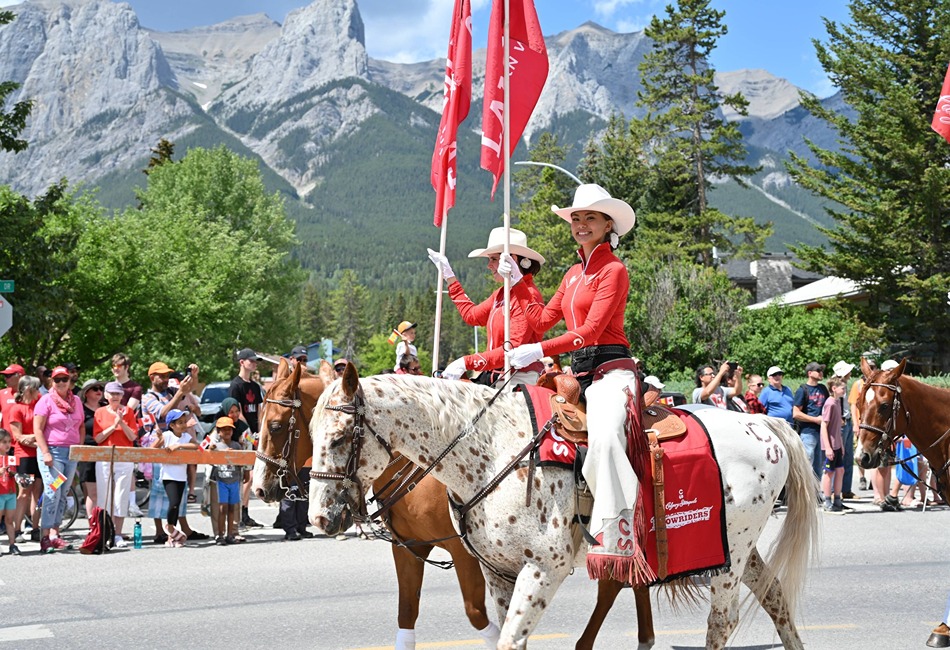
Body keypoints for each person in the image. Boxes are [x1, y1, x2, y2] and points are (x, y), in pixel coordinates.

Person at [505, 183, 643, 581]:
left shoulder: (614, 270)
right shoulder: (571, 273)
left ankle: (618, 533)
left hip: (611, 368)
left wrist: (536, 351)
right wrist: (518, 281)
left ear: (607, 225)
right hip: (576, 374)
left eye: (590, 218)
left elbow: (590, 330)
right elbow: (539, 320)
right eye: (576, 218)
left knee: (604, 437)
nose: (581, 224)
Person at [429, 227, 547, 385]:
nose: (489, 265)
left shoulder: (529, 294)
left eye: (493, 259)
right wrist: (450, 278)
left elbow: (512, 349)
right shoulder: (501, 293)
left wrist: (467, 362)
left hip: (519, 377)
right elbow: (472, 316)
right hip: (496, 374)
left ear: (512, 259)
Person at [141, 361, 207, 543]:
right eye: (160, 375)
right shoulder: (148, 397)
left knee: (179, 489)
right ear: (151, 377)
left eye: (166, 375)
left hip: (177, 443)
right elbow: (163, 413)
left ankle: (183, 526)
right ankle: (159, 530)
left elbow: (186, 392)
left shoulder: (171, 392)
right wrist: (179, 392)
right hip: (159, 445)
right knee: (159, 489)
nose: (164, 379)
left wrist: (193, 376)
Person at [32, 365, 83, 553]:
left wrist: (79, 446)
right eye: (57, 379)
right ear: (51, 381)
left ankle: (55, 532)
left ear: (70, 381)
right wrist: (45, 452)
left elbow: (81, 426)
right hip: (52, 453)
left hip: (71, 453)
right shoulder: (45, 401)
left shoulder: (76, 400)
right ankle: (44, 536)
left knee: (64, 492)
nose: (61, 382)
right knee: (53, 491)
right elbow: (37, 429)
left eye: (65, 379)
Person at [93, 381, 138, 547]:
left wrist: (122, 422)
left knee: (121, 496)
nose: (115, 397)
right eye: (112, 394)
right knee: (105, 496)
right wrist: (113, 426)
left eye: (118, 394)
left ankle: (118, 534)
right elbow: (98, 438)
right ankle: (105, 532)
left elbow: (133, 437)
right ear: (106, 395)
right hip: (104, 457)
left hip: (124, 457)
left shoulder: (129, 411)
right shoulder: (100, 412)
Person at [150, 409, 198, 547]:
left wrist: (179, 446)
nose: (183, 425)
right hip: (168, 476)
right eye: (180, 423)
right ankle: (170, 527)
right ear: (172, 425)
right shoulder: (167, 435)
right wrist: (159, 439)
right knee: (174, 502)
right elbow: (152, 449)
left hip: (182, 477)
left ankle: (172, 537)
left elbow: (195, 445)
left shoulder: (185, 437)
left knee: (177, 507)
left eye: (184, 422)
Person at [7, 376, 42, 543]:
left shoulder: (40, 403)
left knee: (38, 491)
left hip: (40, 455)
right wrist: (38, 437)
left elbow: (45, 429)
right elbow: (18, 436)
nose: (39, 391)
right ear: (28, 389)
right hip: (24, 456)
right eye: (36, 388)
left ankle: (35, 528)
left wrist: (34, 437)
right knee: (24, 492)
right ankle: (17, 529)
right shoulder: (17, 408)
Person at [207, 417, 248, 545]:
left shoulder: (236, 445)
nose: (227, 431)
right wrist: (215, 451)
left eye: (229, 429)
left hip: (234, 480)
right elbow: (208, 458)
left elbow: (243, 462)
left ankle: (230, 534)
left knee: (232, 508)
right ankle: (220, 534)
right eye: (223, 429)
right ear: (218, 431)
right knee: (222, 508)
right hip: (221, 481)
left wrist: (244, 469)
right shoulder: (215, 446)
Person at [793, 362, 829, 478]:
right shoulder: (802, 390)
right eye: (818, 370)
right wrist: (815, 420)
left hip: (823, 431)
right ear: (809, 373)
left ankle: (817, 493)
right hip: (808, 432)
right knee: (807, 463)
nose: (821, 373)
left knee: (819, 466)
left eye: (821, 370)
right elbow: (796, 413)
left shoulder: (823, 388)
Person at [78, 378, 105, 524]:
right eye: (95, 389)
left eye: (101, 388)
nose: (99, 391)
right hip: (88, 451)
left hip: (106, 451)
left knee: (106, 493)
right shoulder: (80, 409)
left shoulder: (106, 407)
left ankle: (106, 525)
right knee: (92, 493)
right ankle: (93, 525)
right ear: (86, 392)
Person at [820, 378, 847, 513]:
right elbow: (824, 425)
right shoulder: (830, 403)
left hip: (837, 443)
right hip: (830, 444)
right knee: (829, 472)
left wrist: (840, 444)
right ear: (834, 389)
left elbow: (837, 428)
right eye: (842, 388)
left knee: (840, 470)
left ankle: (837, 498)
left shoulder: (838, 402)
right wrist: (828, 447)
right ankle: (827, 500)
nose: (844, 390)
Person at [849, 358, 876, 492]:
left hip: (872, 424)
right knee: (860, 451)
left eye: (872, 367)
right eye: (869, 367)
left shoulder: (877, 384)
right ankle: (861, 477)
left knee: (873, 450)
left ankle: (873, 479)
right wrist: (855, 424)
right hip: (861, 423)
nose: (870, 370)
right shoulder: (858, 384)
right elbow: (853, 405)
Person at [831, 360, 856, 498]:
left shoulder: (846, 385)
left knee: (848, 457)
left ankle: (846, 489)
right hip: (839, 424)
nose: (850, 373)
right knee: (838, 457)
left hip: (847, 421)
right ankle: (836, 490)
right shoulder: (835, 386)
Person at [0, 429, 18, 555]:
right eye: (4, 442)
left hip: (11, 493)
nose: (7, 445)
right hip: (1, 493)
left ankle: (12, 545)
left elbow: (14, 474)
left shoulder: (11, 459)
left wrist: (16, 475)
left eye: (9, 442)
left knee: (10, 520)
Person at [0, 363, 25, 427]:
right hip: (6, 436)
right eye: (5, 376)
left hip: (26, 436)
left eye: (8, 376)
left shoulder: (32, 394)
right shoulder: (2, 394)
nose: (5, 379)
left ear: (20, 376)